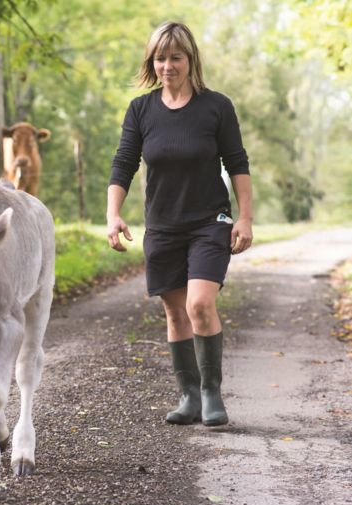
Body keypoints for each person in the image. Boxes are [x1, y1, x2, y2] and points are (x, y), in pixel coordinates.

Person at [106, 21, 253, 427]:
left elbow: (237, 163)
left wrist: (244, 217)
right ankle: (188, 396)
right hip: (163, 226)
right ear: (151, 63)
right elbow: (124, 163)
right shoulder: (141, 109)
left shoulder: (216, 107)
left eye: (176, 57)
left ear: (190, 61)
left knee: (200, 304)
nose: (168, 66)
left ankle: (210, 393)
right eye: (160, 58)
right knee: (175, 315)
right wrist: (113, 214)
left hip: (210, 221)